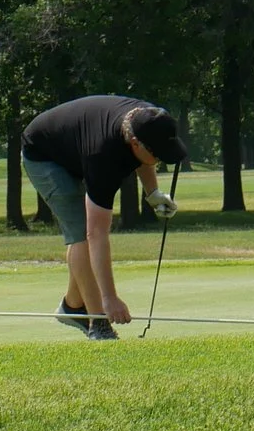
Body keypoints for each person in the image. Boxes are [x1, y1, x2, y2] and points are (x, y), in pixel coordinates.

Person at [21, 95, 183, 339]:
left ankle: (72, 306)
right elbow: (95, 234)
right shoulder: (103, 155)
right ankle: (97, 323)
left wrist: (153, 193)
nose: (160, 160)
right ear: (136, 144)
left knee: (84, 236)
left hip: (74, 145)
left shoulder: (152, 119)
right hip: (44, 155)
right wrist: (109, 299)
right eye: (158, 155)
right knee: (80, 235)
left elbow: (144, 157)